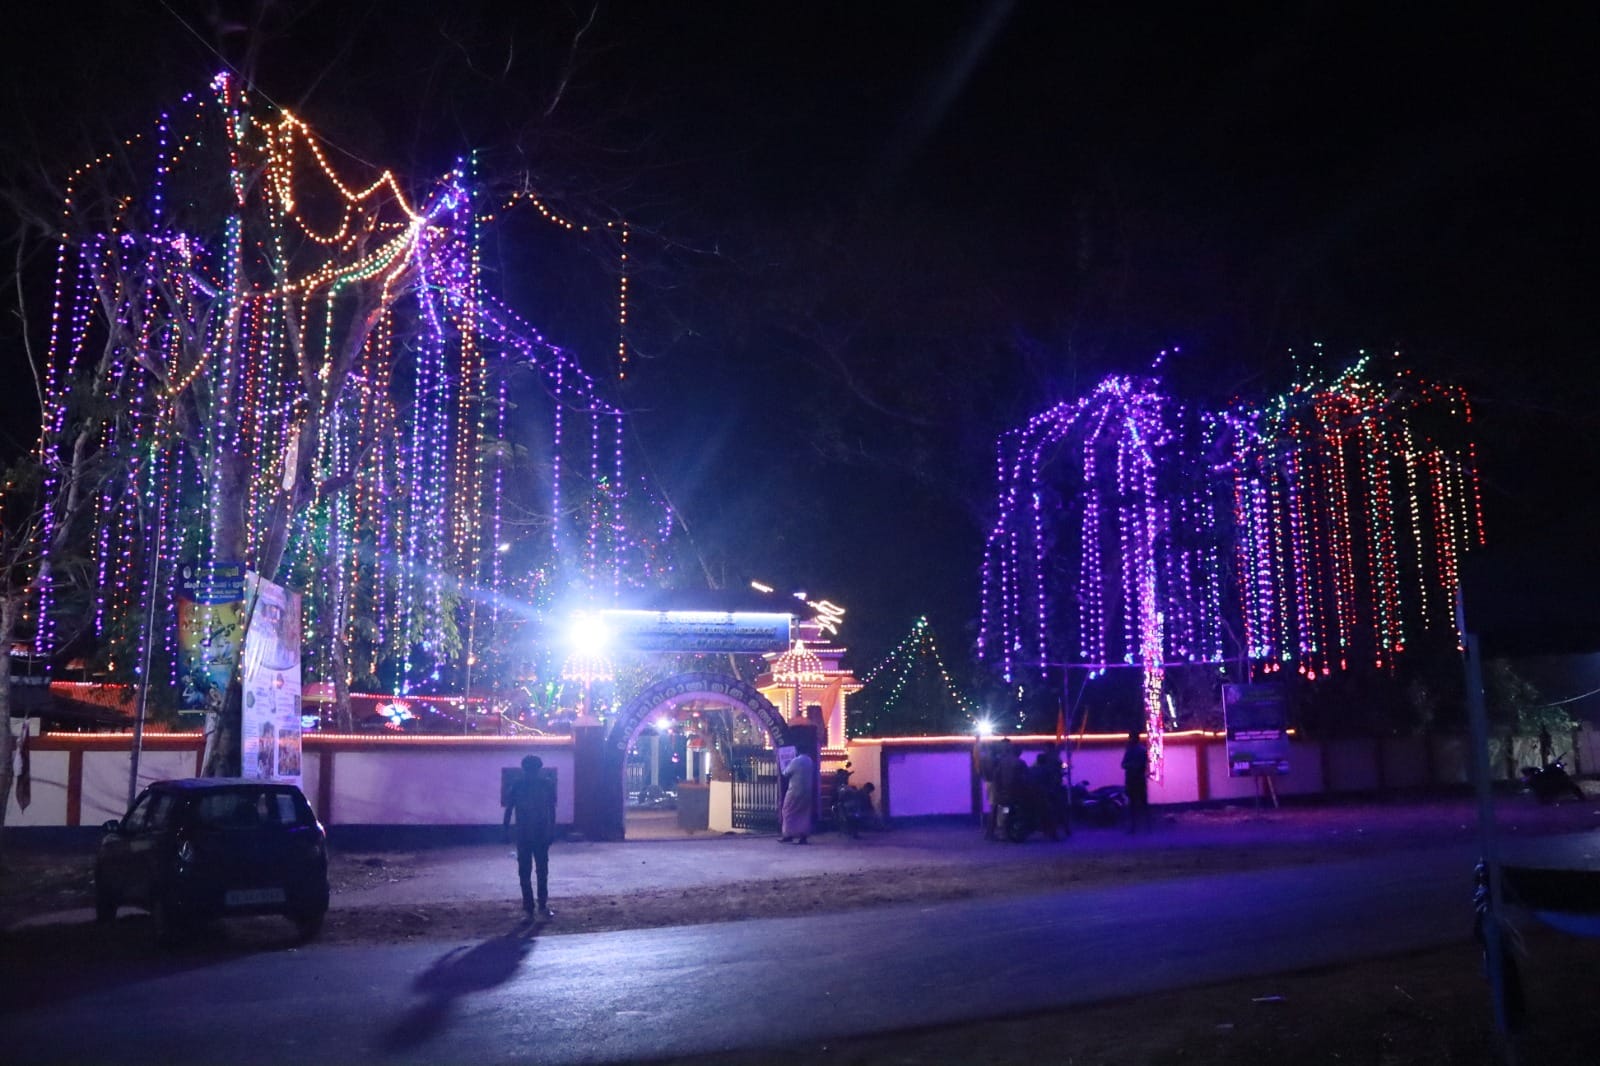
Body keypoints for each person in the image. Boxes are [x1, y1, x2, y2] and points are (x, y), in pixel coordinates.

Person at [503, 754, 558, 919]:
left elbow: (509, 809)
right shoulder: (546, 784)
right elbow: (552, 810)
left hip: (524, 834)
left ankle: (529, 908)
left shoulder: (518, 785)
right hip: (540, 833)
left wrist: (505, 830)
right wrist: (552, 830)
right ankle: (541, 905)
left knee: (525, 872)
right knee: (542, 871)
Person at [779, 750, 816, 844]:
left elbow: (785, 773)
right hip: (807, 792)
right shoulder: (810, 761)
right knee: (804, 814)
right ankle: (803, 836)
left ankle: (788, 834)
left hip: (794, 791)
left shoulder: (795, 761)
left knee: (788, 811)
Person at [1121, 729, 1150, 833]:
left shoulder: (1130, 751)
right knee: (1143, 803)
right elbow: (1145, 764)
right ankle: (1147, 826)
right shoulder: (1142, 750)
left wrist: (1131, 766)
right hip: (1139, 779)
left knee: (1133, 804)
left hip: (1132, 779)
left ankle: (1134, 827)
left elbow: (1123, 764)